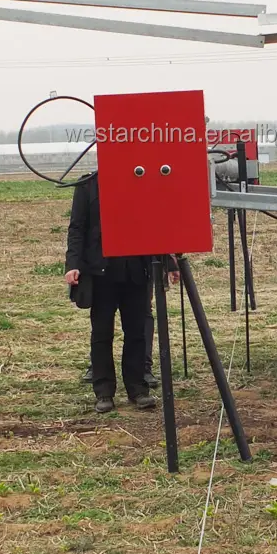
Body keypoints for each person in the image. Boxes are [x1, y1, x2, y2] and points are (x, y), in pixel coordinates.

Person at [63, 172, 175, 414]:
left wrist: (169, 264)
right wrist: (73, 264)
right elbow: (77, 227)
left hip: (136, 271)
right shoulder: (88, 185)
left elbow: (155, 224)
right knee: (102, 333)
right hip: (101, 273)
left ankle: (138, 389)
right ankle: (104, 392)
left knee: (136, 332)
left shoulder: (140, 177)